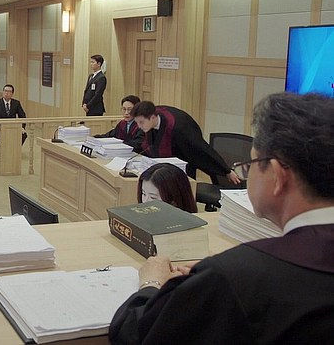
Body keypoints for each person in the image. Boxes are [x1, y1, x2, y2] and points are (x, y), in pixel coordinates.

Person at [110, 92, 334, 345]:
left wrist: (152, 282)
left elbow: (135, 331)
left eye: (250, 163)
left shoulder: (236, 276)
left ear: (276, 175)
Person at [131, 101, 242, 184]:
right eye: (137, 122)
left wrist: (226, 170)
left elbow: (201, 149)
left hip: (184, 158)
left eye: (141, 122)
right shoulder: (149, 116)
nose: (139, 126)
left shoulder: (179, 127)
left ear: (153, 117)